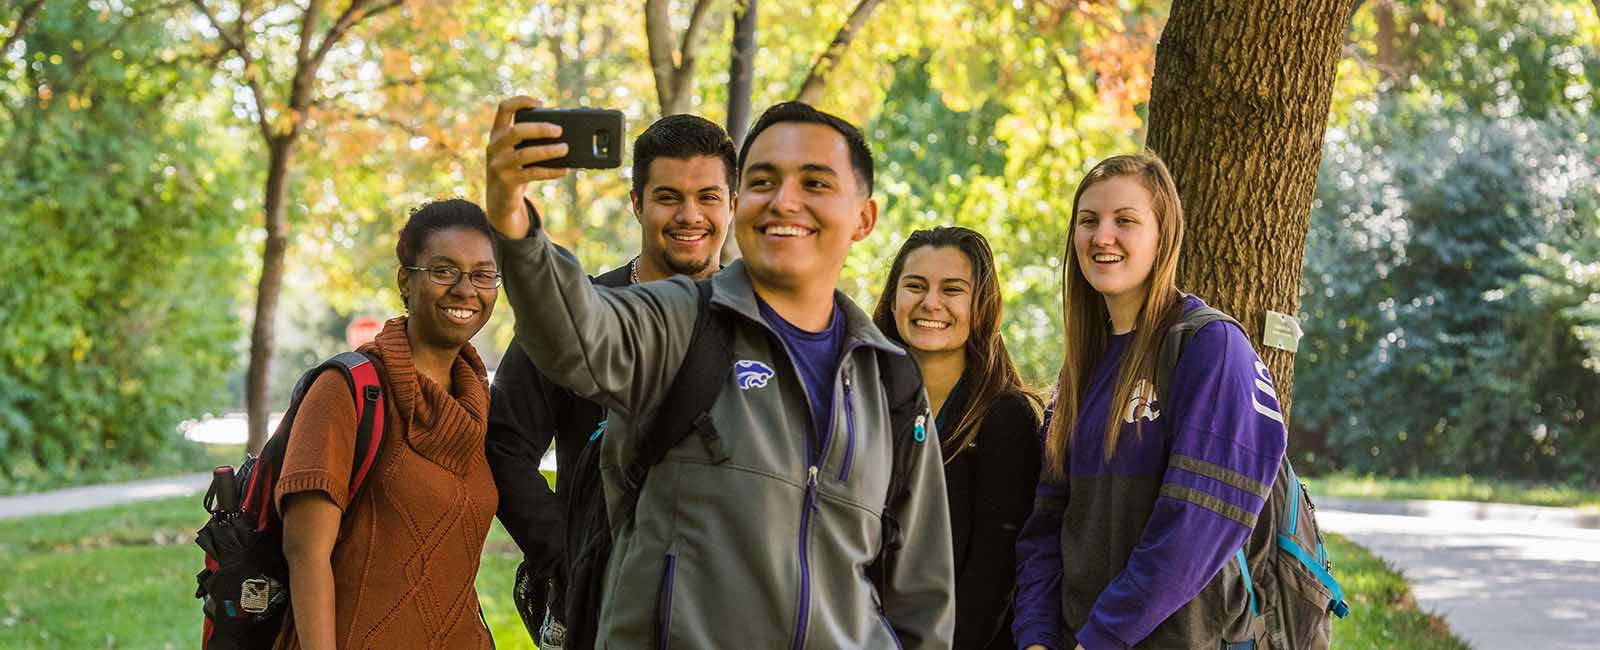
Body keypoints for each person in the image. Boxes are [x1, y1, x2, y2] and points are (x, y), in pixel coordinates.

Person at [484, 97, 956, 648]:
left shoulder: (890, 382)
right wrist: (514, 222)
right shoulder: (680, 320)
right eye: (764, 180)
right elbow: (573, 334)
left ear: (864, 218)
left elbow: (922, 599)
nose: (784, 201)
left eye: (815, 183)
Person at [1012, 152, 1288, 650]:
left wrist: (1101, 638)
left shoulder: (1211, 347)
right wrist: (1036, 636)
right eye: (1089, 220)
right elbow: (1046, 527)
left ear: (1164, 237)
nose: (1102, 237)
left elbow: (1192, 529)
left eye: (1126, 221)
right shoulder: (1080, 372)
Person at [483, 113, 737, 638]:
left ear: (732, 204)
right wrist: (572, 557)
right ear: (637, 202)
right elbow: (505, 446)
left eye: (708, 197)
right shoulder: (577, 315)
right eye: (668, 197)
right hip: (604, 607)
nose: (690, 215)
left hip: (727, 607)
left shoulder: (762, 325)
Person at [275, 198, 502, 649]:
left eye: (483, 274)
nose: (465, 289)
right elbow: (305, 554)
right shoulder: (347, 390)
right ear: (405, 280)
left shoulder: (476, 404)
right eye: (443, 271)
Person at [870, 226, 1042, 649]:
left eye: (952, 289)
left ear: (984, 307)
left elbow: (993, 576)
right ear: (893, 299)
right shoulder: (858, 401)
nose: (931, 303)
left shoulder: (1005, 417)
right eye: (915, 286)